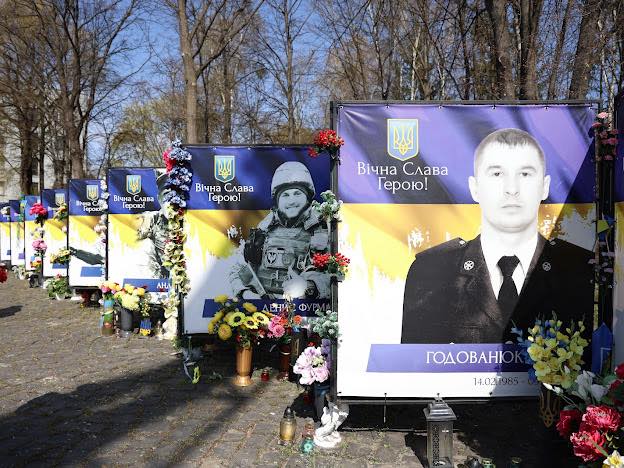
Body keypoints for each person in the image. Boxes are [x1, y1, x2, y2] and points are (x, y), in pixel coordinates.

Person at [401, 128, 594, 344]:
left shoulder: (578, 269)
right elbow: (414, 362)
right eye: (497, 174)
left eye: (525, 174)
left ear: (544, 187)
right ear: (475, 188)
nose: (512, 189)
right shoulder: (432, 270)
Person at [229, 161, 330, 300]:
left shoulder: (322, 228)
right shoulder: (264, 229)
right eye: (285, 195)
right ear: (277, 200)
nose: (291, 201)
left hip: (306, 308)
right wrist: (245, 293)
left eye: (297, 193)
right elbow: (238, 270)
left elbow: (334, 275)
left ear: (307, 197)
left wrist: (309, 286)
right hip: (263, 308)